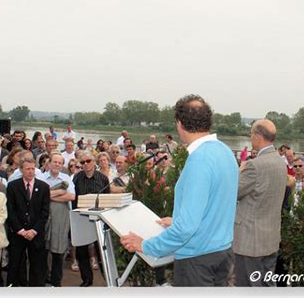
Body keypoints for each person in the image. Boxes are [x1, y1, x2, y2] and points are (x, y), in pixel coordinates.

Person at [120, 94, 238, 286]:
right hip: (222, 254)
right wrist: (178, 220)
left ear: (180, 123)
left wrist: (146, 245)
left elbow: (186, 228)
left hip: (197, 261)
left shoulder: (199, 159)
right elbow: (217, 205)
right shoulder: (224, 151)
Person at [233, 119, 287, 287]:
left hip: (250, 242)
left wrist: (240, 169)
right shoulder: (280, 162)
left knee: (246, 287)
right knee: (266, 286)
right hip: (270, 239)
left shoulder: (254, 166)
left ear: (257, 136)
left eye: (250, 134)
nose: (250, 139)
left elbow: (233, 192)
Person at [6, 158, 50, 286]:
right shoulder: (13, 186)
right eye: (27, 169)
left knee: (37, 265)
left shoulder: (43, 187)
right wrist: (20, 230)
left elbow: (45, 212)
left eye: (32, 169)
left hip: (36, 233)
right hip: (18, 233)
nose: (30, 172)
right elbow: (10, 210)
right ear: (21, 170)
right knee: (16, 264)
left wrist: (34, 230)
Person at [72, 151, 110, 286]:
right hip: (81, 218)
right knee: (82, 252)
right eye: (82, 162)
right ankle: (87, 279)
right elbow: (73, 199)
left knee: (101, 252)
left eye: (88, 161)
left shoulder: (103, 179)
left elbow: (107, 200)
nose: (86, 164)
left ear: (94, 162)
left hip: (98, 219)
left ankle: (108, 279)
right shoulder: (76, 178)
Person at [40, 153, 75, 287]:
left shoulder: (66, 178)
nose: (57, 165)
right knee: (43, 250)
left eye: (59, 163)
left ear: (62, 165)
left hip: (61, 218)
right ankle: (42, 280)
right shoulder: (41, 178)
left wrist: (49, 196)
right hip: (44, 218)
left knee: (58, 252)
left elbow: (71, 197)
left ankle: (56, 281)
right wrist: (60, 192)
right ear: (49, 163)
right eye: (54, 162)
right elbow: (40, 196)